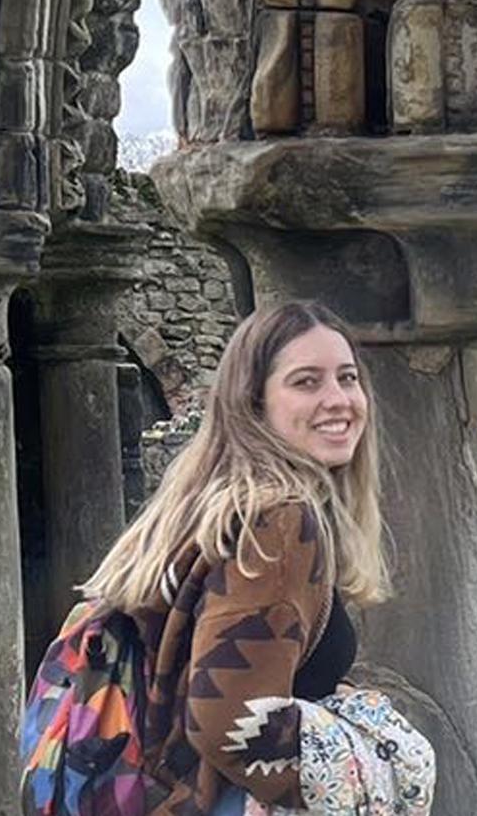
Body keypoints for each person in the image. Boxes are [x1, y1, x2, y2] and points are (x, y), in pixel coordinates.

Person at [72, 301, 432, 814]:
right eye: (306, 382)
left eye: (348, 378)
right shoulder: (277, 520)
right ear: (254, 403)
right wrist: (362, 771)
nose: (339, 399)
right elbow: (230, 724)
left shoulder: (213, 504)